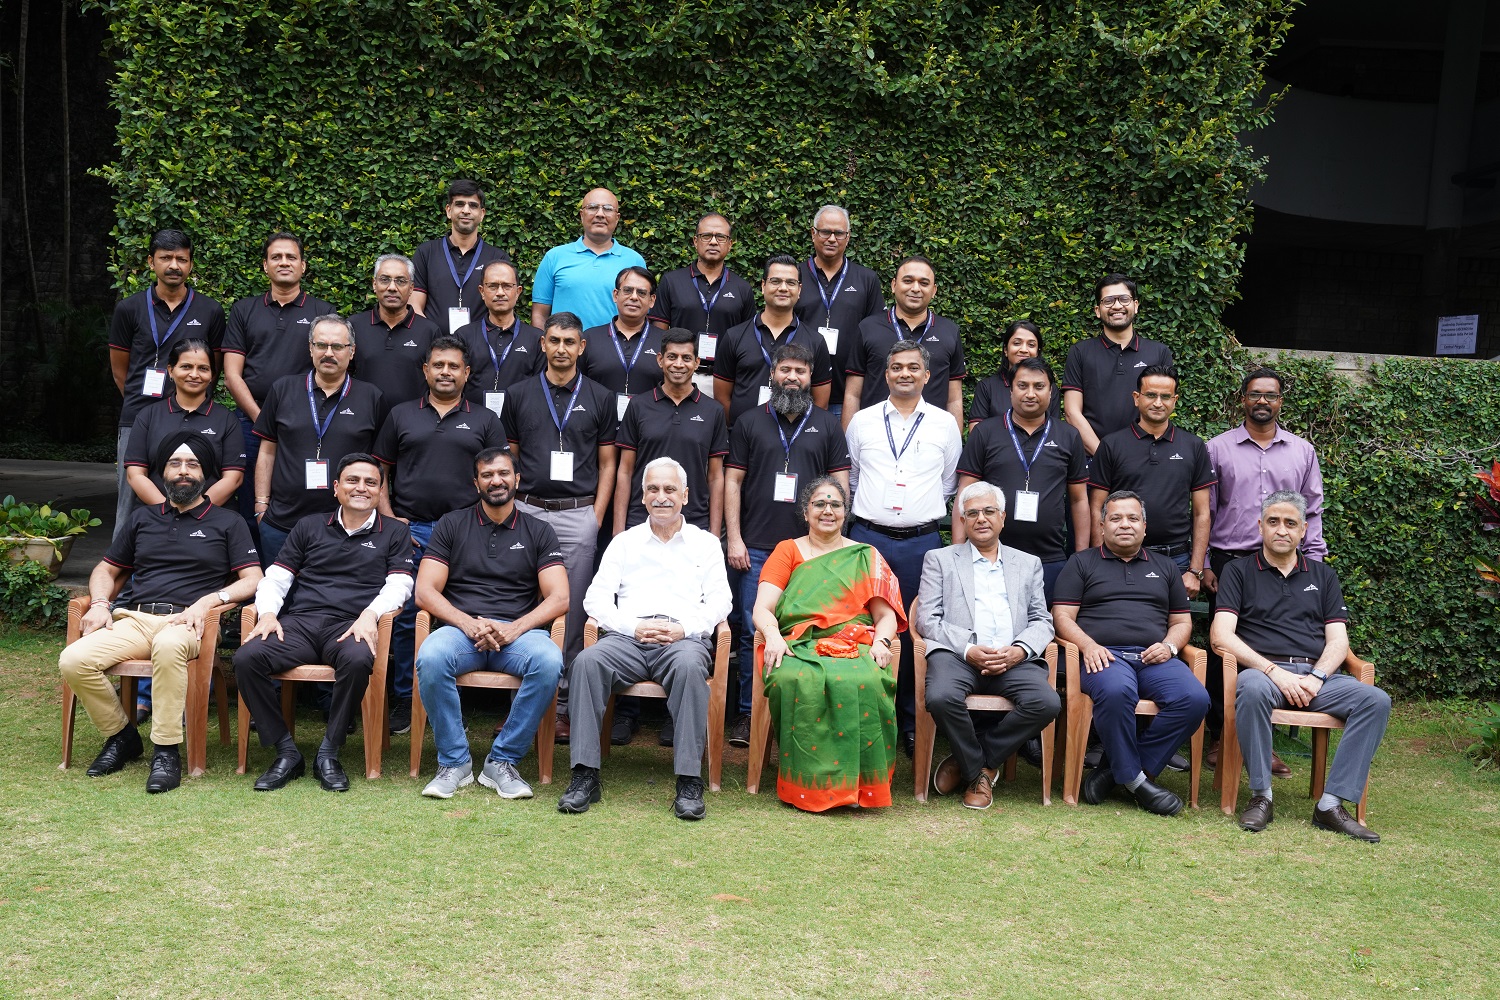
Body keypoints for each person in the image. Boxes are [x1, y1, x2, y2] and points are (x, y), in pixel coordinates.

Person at [58, 432, 262, 792]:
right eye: (175, 463)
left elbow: (253, 580)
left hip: (188, 622)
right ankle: (122, 736)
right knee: (74, 660)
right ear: (162, 472)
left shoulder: (228, 522)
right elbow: (106, 569)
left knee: (168, 646)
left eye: (193, 464)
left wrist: (208, 601)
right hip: (135, 619)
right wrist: (102, 603)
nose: (183, 471)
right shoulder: (143, 518)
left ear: (207, 474)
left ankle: (166, 750)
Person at [558, 458, 733, 819]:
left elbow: (721, 601)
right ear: (642, 496)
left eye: (670, 489)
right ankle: (584, 776)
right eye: (653, 489)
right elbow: (595, 599)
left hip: (682, 639)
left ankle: (688, 782)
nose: (661, 497)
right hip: (628, 638)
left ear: (685, 495)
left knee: (688, 667)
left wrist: (685, 628)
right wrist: (631, 626)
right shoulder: (625, 542)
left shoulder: (705, 544)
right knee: (587, 662)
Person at [1209, 491, 1388, 841]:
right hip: (1264, 673)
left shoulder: (1323, 576)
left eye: (1290, 523)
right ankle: (1262, 796)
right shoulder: (1237, 571)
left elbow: (1338, 642)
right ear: (1260, 526)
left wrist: (1318, 677)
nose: (1281, 529)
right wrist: (1274, 672)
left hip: (1317, 677)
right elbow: (1221, 636)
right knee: (1253, 689)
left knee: (1375, 700)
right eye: (1273, 521)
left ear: (1303, 530)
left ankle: (1330, 804)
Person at [233, 453, 414, 792]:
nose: (361, 488)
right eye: (352, 480)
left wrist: (370, 615)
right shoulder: (309, 526)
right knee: (247, 658)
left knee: (359, 659)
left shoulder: (393, 532)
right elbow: (277, 577)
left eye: (370, 482)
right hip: (300, 623)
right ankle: (286, 752)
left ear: (380, 490)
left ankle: (328, 753)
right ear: (336, 487)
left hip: (351, 624)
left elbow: (400, 584)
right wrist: (269, 613)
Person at [413, 447, 569, 800]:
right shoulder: (452, 524)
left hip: (518, 634)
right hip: (461, 631)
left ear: (517, 478)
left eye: (503, 473)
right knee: (432, 656)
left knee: (548, 661)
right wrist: (468, 624)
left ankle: (502, 761)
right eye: (487, 475)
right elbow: (425, 591)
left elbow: (560, 597)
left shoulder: (539, 531)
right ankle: (455, 762)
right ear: (476, 483)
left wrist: (514, 629)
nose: (495, 480)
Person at [372, 335, 507, 735]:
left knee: (459, 612)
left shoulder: (484, 420)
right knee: (407, 615)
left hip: (467, 533)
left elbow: (497, 478)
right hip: (410, 529)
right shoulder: (400, 415)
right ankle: (404, 698)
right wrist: (391, 519)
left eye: (454, 366)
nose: (445, 372)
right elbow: (380, 471)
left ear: (466, 373)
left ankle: (450, 701)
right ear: (426, 370)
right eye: (438, 365)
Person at [1051, 490, 1209, 816]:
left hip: (1154, 657)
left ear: (1145, 526)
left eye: (1133, 518)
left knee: (1194, 699)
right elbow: (1062, 617)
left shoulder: (1165, 567)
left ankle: (1116, 771)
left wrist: (1169, 646)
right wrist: (1088, 645)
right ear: (1102, 525)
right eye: (1116, 518)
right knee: (1116, 690)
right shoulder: (1081, 563)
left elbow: (1181, 622)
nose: (1125, 524)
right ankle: (1138, 782)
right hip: (1103, 656)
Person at [752, 476, 906, 811]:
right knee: (793, 679)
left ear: (845, 513)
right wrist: (774, 637)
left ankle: (861, 788)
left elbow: (886, 615)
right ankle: (807, 787)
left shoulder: (865, 555)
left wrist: (882, 641)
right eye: (819, 504)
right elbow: (762, 608)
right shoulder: (787, 551)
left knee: (866, 679)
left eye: (835, 504)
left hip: (856, 642)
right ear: (806, 512)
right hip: (798, 643)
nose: (827, 511)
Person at [500, 312, 619, 738]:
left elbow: (609, 463)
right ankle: (519, 706)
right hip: (527, 511)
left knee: (570, 609)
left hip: (577, 514)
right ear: (543, 344)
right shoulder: (518, 394)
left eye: (570, 341)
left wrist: (596, 517)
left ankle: (564, 704)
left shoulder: (602, 397)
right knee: (520, 604)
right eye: (554, 340)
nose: (562, 348)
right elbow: (509, 459)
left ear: (582, 347)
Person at [724, 343, 849, 746]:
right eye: (785, 370)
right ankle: (748, 713)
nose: (792, 377)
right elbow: (733, 482)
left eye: (800, 370)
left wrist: (838, 541)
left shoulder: (829, 426)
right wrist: (735, 538)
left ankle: (797, 715)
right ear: (772, 374)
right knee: (750, 631)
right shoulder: (747, 422)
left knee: (808, 629)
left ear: (811, 377)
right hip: (756, 547)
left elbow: (840, 485)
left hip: (811, 551)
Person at [845, 340, 962, 755]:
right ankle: (862, 718)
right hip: (868, 539)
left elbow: (949, 484)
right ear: (886, 373)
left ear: (927, 376)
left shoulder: (945, 424)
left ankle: (910, 724)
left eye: (914, 367)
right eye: (897, 367)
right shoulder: (861, 421)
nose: (905, 374)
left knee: (915, 633)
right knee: (860, 628)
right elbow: (853, 478)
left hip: (921, 543)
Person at [917, 481, 1059, 809]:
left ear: (1003, 517)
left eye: (989, 511)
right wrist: (968, 648)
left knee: (1046, 703)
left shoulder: (1028, 563)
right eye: (972, 513)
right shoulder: (939, 559)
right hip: (959, 657)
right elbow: (927, 619)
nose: (981, 518)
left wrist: (1020, 650)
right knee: (939, 697)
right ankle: (978, 771)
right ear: (963, 520)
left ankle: (977, 762)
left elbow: (1043, 621)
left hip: (1013, 658)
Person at [107, 228, 226, 537]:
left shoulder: (210, 310)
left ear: (190, 265)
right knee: (129, 497)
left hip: (192, 417)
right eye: (166, 258)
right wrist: (146, 406)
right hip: (137, 417)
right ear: (151, 262)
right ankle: (120, 573)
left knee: (190, 490)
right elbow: (121, 369)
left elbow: (214, 365)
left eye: (182, 259)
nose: (174, 265)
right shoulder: (129, 308)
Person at [223, 232, 336, 535]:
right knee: (250, 501)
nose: (284, 262)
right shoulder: (244, 310)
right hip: (251, 421)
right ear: (265, 266)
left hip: (304, 423)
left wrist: (283, 422)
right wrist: (263, 421)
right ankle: (254, 573)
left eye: (291, 257)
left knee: (303, 497)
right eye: (276, 257)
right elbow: (232, 374)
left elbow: (329, 369)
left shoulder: (322, 311)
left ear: (303, 266)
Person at [251, 314, 386, 565]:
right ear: (310, 349)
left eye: (337, 346)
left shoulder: (371, 397)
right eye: (321, 345)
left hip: (346, 526)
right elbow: (267, 451)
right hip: (282, 524)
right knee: (279, 600)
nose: (329, 353)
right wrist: (261, 507)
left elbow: (379, 464)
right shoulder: (283, 389)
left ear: (352, 351)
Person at [953, 358, 1089, 603]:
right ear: (1011, 390)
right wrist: (957, 553)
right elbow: (964, 495)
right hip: (991, 557)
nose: (1030, 393)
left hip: (1050, 559)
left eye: (1039, 386)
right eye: (1022, 385)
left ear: (1051, 391)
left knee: (1045, 634)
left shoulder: (1069, 436)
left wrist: (1081, 557)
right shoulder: (986, 432)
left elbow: (1079, 500)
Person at [1088, 365, 1215, 599]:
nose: (1158, 403)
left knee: (1173, 629)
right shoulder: (1112, 445)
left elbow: (1202, 513)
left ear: (1175, 400)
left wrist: (1194, 570)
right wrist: (1100, 559)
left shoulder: (1193, 446)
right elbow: (1097, 508)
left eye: (1165, 396)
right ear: (1137, 398)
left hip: (1175, 560)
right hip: (1120, 555)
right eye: (1151, 395)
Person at [614, 328, 728, 534]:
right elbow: (625, 471)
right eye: (672, 357)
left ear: (697, 362)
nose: (678, 364)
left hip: (693, 522)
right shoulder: (638, 406)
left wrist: (714, 533)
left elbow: (716, 477)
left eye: (686, 358)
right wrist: (618, 529)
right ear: (660, 360)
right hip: (642, 520)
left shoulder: (713, 411)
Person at [842, 256, 966, 428]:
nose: (915, 288)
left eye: (924, 283)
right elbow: (852, 395)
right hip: (875, 436)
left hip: (931, 437)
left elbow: (954, 399)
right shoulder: (868, 328)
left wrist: (955, 446)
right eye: (908, 281)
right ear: (894, 285)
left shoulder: (949, 332)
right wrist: (848, 446)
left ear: (934, 290)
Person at [124, 338, 245, 510]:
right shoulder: (148, 416)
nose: (194, 374)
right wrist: (167, 510)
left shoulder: (227, 420)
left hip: (212, 518)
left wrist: (197, 511)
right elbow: (135, 475)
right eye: (186, 366)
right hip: (156, 515)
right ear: (171, 370)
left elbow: (233, 478)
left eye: (203, 368)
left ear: (212, 375)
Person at [1062, 274, 1175, 456]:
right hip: (1093, 458)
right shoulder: (1080, 352)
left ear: (1135, 306)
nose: (1116, 306)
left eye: (1124, 299)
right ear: (1098, 310)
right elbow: (1071, 412)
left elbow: (1162, 409)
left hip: (1146, 458)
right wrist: (1105, 458)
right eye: (1108, 301)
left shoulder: (1159, 352)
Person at [714, 255, 832, 427]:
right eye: (775, 281)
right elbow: (722, 396)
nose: (783, 288)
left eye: (790, 283)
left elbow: (820, 402)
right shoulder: (734, 336)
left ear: (799, 290)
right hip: (742, 440)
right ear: (763, 286)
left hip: (795, 439)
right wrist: (740, 430)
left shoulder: (815, 341)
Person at [793, 205, 885, 419]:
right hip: (800, 392)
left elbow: (875, 337)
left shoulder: (866, 279)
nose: (832, 238)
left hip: (850, 396)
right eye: (825, 231)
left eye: (839, 233)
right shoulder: (794, 276)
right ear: (813, 233)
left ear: (848, 237)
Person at [648, 213, 755, 393]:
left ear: (730, 244)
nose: (713, 242)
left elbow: (747, 341)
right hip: (678, 375)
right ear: (695, 241)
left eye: (720, 237)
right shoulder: (672, 282)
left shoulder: (742, 288)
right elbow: (659, 334)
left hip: (723, 380)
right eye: (707, 236)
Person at [531, 188, 647, 330]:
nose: (600, 214)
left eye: (608, 209)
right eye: (592, 207)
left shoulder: (634, 260)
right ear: (582, 215)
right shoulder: (554, 257)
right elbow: (539, 315)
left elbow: (642, 314)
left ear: (617, 218)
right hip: (566, 349)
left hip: (616, 349)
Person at [409, 179, 512, 334]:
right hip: (435, 348)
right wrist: (431, 339)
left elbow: (501, 309)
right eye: (459, 204)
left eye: (473, 205)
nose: (466, 210)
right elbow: (415, 304)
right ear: (449, 210)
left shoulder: (497, 258)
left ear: (481, 214)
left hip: (482, 349)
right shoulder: (426, 253)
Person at [350, 253, 443, 408]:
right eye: (384, 279)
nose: (392, 287)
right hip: (363, 420)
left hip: (413, 424)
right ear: (374, 284)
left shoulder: (429, 331)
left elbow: (438, 382)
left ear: (411, 288)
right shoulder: (354, 326)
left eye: (401, 281)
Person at [457, 260, 544, 415]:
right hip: (471, 425)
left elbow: (540, 389)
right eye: (492, 286)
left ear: (518, 291)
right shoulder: (463, 336)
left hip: (520, 425)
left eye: (507, 286)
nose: (500, 293)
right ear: (482, 291)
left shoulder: (536, 339)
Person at [579, 265, 667, 418]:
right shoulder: (590, 338)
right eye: (627, 290)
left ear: (652, 300)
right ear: (615, 295)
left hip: (649, 430)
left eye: (641, 292)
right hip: (597, 429)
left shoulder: (665, 342)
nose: (634, 297)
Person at [969, 320, 1060, 430]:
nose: (1024, 350)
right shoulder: (987, 387)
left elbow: (1055, 430)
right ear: (1006, 350)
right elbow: (976, 432)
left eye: (1031, 345)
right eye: (1017, 343)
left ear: (1037, 352)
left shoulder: (1049, 388)